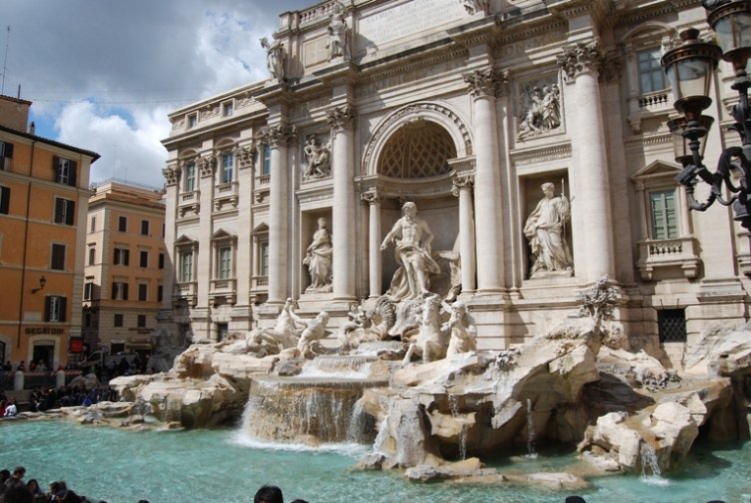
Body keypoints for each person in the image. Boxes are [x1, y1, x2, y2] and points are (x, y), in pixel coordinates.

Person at [380, 201, 440, 300]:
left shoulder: (421, 222)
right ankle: (413, 292)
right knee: (408, 270)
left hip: (415, 247)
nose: (409, 211)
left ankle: (423, 289)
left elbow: (431, 234)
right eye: (407, 209)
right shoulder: (401, 221)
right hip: (404, 247)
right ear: (405, 210)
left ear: (415, 210)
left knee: (417, 265)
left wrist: (426, 242)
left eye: (411, 209)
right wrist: (384, 243)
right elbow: (392, 233)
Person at [523, 182, 572, 278]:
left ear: (552, 190)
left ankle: (561, 265)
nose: (545, 192)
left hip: (553, 227)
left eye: (547, 190)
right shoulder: (542, 202)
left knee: (556, 245)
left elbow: (563, 215)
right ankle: (548, 267)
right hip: (541, 228)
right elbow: (535, 214)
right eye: (544, 190)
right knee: (544, 248)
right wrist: (533, 223)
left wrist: (565, 203)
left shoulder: (557, 200)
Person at [303, 217, 333, 292]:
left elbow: (320, 240)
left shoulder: (324, 231)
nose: (322, 223)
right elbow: (315, 241)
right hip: (316, 252)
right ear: (318, 223)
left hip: (324, 250)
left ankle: (323, 283)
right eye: (321, 222)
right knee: (313, 267)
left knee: (322, 268)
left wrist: (310, 247)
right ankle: (315, 284)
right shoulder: (317, 232)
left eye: (324, 222)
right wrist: (310, 247)